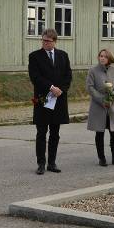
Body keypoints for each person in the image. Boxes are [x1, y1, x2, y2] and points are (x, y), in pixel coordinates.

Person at [28, 28, 72, 175]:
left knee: (55, 132)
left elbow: (68, 76)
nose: (45, 43)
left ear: (54, 41)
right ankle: (41, 163)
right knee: (41, 132)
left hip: (58, 99)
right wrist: (51, 87)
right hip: (42, 99)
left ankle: (52, 163)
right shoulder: (34, 56)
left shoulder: (63, 56)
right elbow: (35, 77)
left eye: (48, 41)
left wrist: (61, 90)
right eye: (43, 40)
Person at [86, 49, 114, 166]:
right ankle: (101, 158)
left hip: (112, 107)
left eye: (105, 56)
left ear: (109, 58)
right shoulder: (93, 70)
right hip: (98, 106)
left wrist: (112, 97)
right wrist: (102, 99)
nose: (102, 58)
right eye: (100, 56)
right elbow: (90, 87)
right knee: (100, 132)